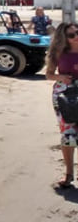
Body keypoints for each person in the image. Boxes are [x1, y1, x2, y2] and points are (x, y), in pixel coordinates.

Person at [46, 22, 78, 188]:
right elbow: (49, 75)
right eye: (72, 35)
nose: (76, 37)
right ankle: (69, 173)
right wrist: (61, 77)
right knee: (68, 134)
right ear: (64, 38)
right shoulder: (58, 52)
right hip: (65, 95)